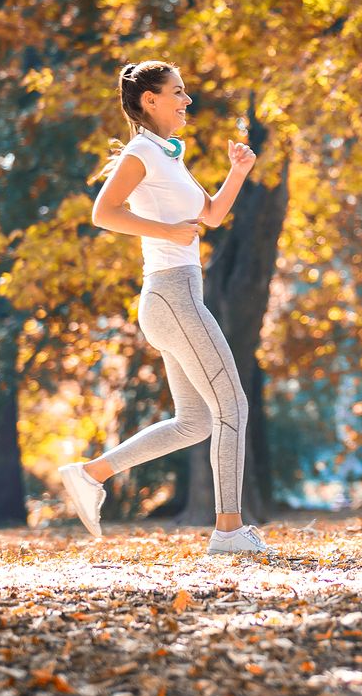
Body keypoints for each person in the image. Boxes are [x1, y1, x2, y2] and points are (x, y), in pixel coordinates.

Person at [57, 60, 268, 554]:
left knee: (195, 421)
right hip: (170, 296)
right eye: (177, 91)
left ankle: (91, 474)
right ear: (149, 100)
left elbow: (211, 214)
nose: (186, 100)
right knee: (233, 406)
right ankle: (230, 531)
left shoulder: (170, 155)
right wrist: (167, 232)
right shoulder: (141, 151)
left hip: (178, 297)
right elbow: (103, 213)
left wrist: (238, 173)